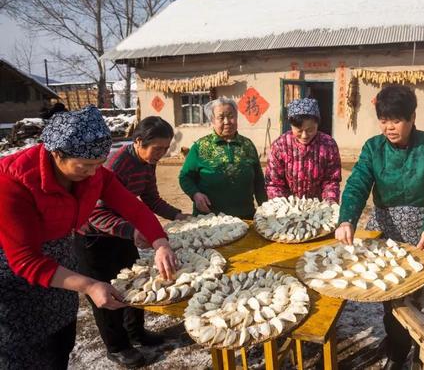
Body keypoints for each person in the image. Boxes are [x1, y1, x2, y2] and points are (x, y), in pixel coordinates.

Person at [0, 106, 177, 370]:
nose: (94, 173)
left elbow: (134, 207)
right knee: (24, 351)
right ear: (57, 153)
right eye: (86, 166)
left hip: (61, 259)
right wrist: (89, 285)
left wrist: (160, 242)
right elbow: (25, 260)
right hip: (15, 276)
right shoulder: (13, 183)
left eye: (98, 164)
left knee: (60, 342)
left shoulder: (93, 173)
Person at [335, 85, 424, 369]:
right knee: (390, 297)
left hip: (422, 233)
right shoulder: (373, 148)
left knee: (421, 297)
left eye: (397, 120)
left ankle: (415, 348)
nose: (389, 127)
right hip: (386, 232)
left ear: (412, 117)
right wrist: (346, 218)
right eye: (384, 120)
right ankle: (396, 347)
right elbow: (357, 184)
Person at [74, 116, 188, 368]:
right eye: (157, 148)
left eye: (165, 148)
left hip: (126, 231)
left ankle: (137, 333)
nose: (162, 153)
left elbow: (151, 198)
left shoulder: (147, 162)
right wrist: (132, 231)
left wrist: (177, 215)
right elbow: (95, 213)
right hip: (93, 237)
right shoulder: (115, 165)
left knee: (133, 284)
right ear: (138, 142)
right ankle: (117, 347)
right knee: (104, 291)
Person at [179, 97, 267, 219]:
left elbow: (258, 181)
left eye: (231, 116)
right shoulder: (200, 147)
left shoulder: (247, 145)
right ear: (212, 121)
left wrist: (265, 208)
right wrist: (195, 194)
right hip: (210, 219)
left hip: (245, 217)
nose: (227, 121)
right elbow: (185, 176)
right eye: (221, 117)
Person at [264, 98, 342, 202]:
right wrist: (282, 206)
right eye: (299, 130)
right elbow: (274, 183)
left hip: (319, 206)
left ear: (317, 124)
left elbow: (331, 181)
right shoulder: (280, 146)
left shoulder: (328, 145)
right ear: (291, 126)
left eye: (310, 130)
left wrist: (329, 203)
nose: (304, 136)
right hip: (288, 207)